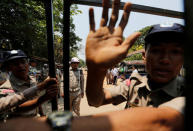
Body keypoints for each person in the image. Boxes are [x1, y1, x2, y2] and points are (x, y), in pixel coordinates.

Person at [0, 1, 184, 130]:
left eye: (175, 52)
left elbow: (162, 123)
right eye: (157, 51)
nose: (165, 59)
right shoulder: (134, 84)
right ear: (144, 56)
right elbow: (96, 101)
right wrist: (96, 69)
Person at [0, 50, 58, 120]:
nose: (21, 66)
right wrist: (44, 97)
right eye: (15, 64)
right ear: (9, 68)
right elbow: (17, 108)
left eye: (23, 62)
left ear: (28, 64)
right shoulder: (5, 88)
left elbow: (36, 97)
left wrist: (42, 114)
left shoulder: (32, 80)